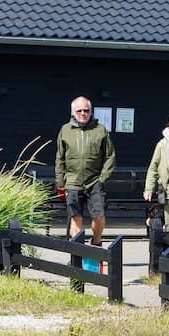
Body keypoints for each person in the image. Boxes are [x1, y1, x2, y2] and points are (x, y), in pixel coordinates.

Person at [55, 95, 116, 243]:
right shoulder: (65, 130)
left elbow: (110, 156)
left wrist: (102, 179)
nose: (83, 113)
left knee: (99, 216)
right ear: (73, 112)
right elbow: (60, 158)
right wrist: (60, 183)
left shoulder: (100, 130)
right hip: (73, 181)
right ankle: (77, 254)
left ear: (91, 111)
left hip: (94, 181)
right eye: (79, 110)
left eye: (86, 110)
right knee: (76, 217)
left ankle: (96, 242)